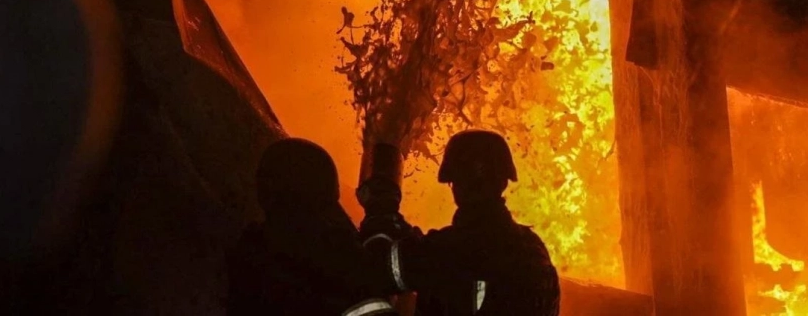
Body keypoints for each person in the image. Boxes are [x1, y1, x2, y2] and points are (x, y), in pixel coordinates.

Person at [359, 130, 560, 315]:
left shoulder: (447, 250)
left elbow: (378, 270)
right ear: (504, 182)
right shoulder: (534, 250)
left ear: (456, 186)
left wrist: (379, 208)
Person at [227, 137, 398, 316]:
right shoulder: (321, 266)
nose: (332, 218)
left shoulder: (255, 255)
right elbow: (372, 284)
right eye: (326, 206)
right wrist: (382, 213)